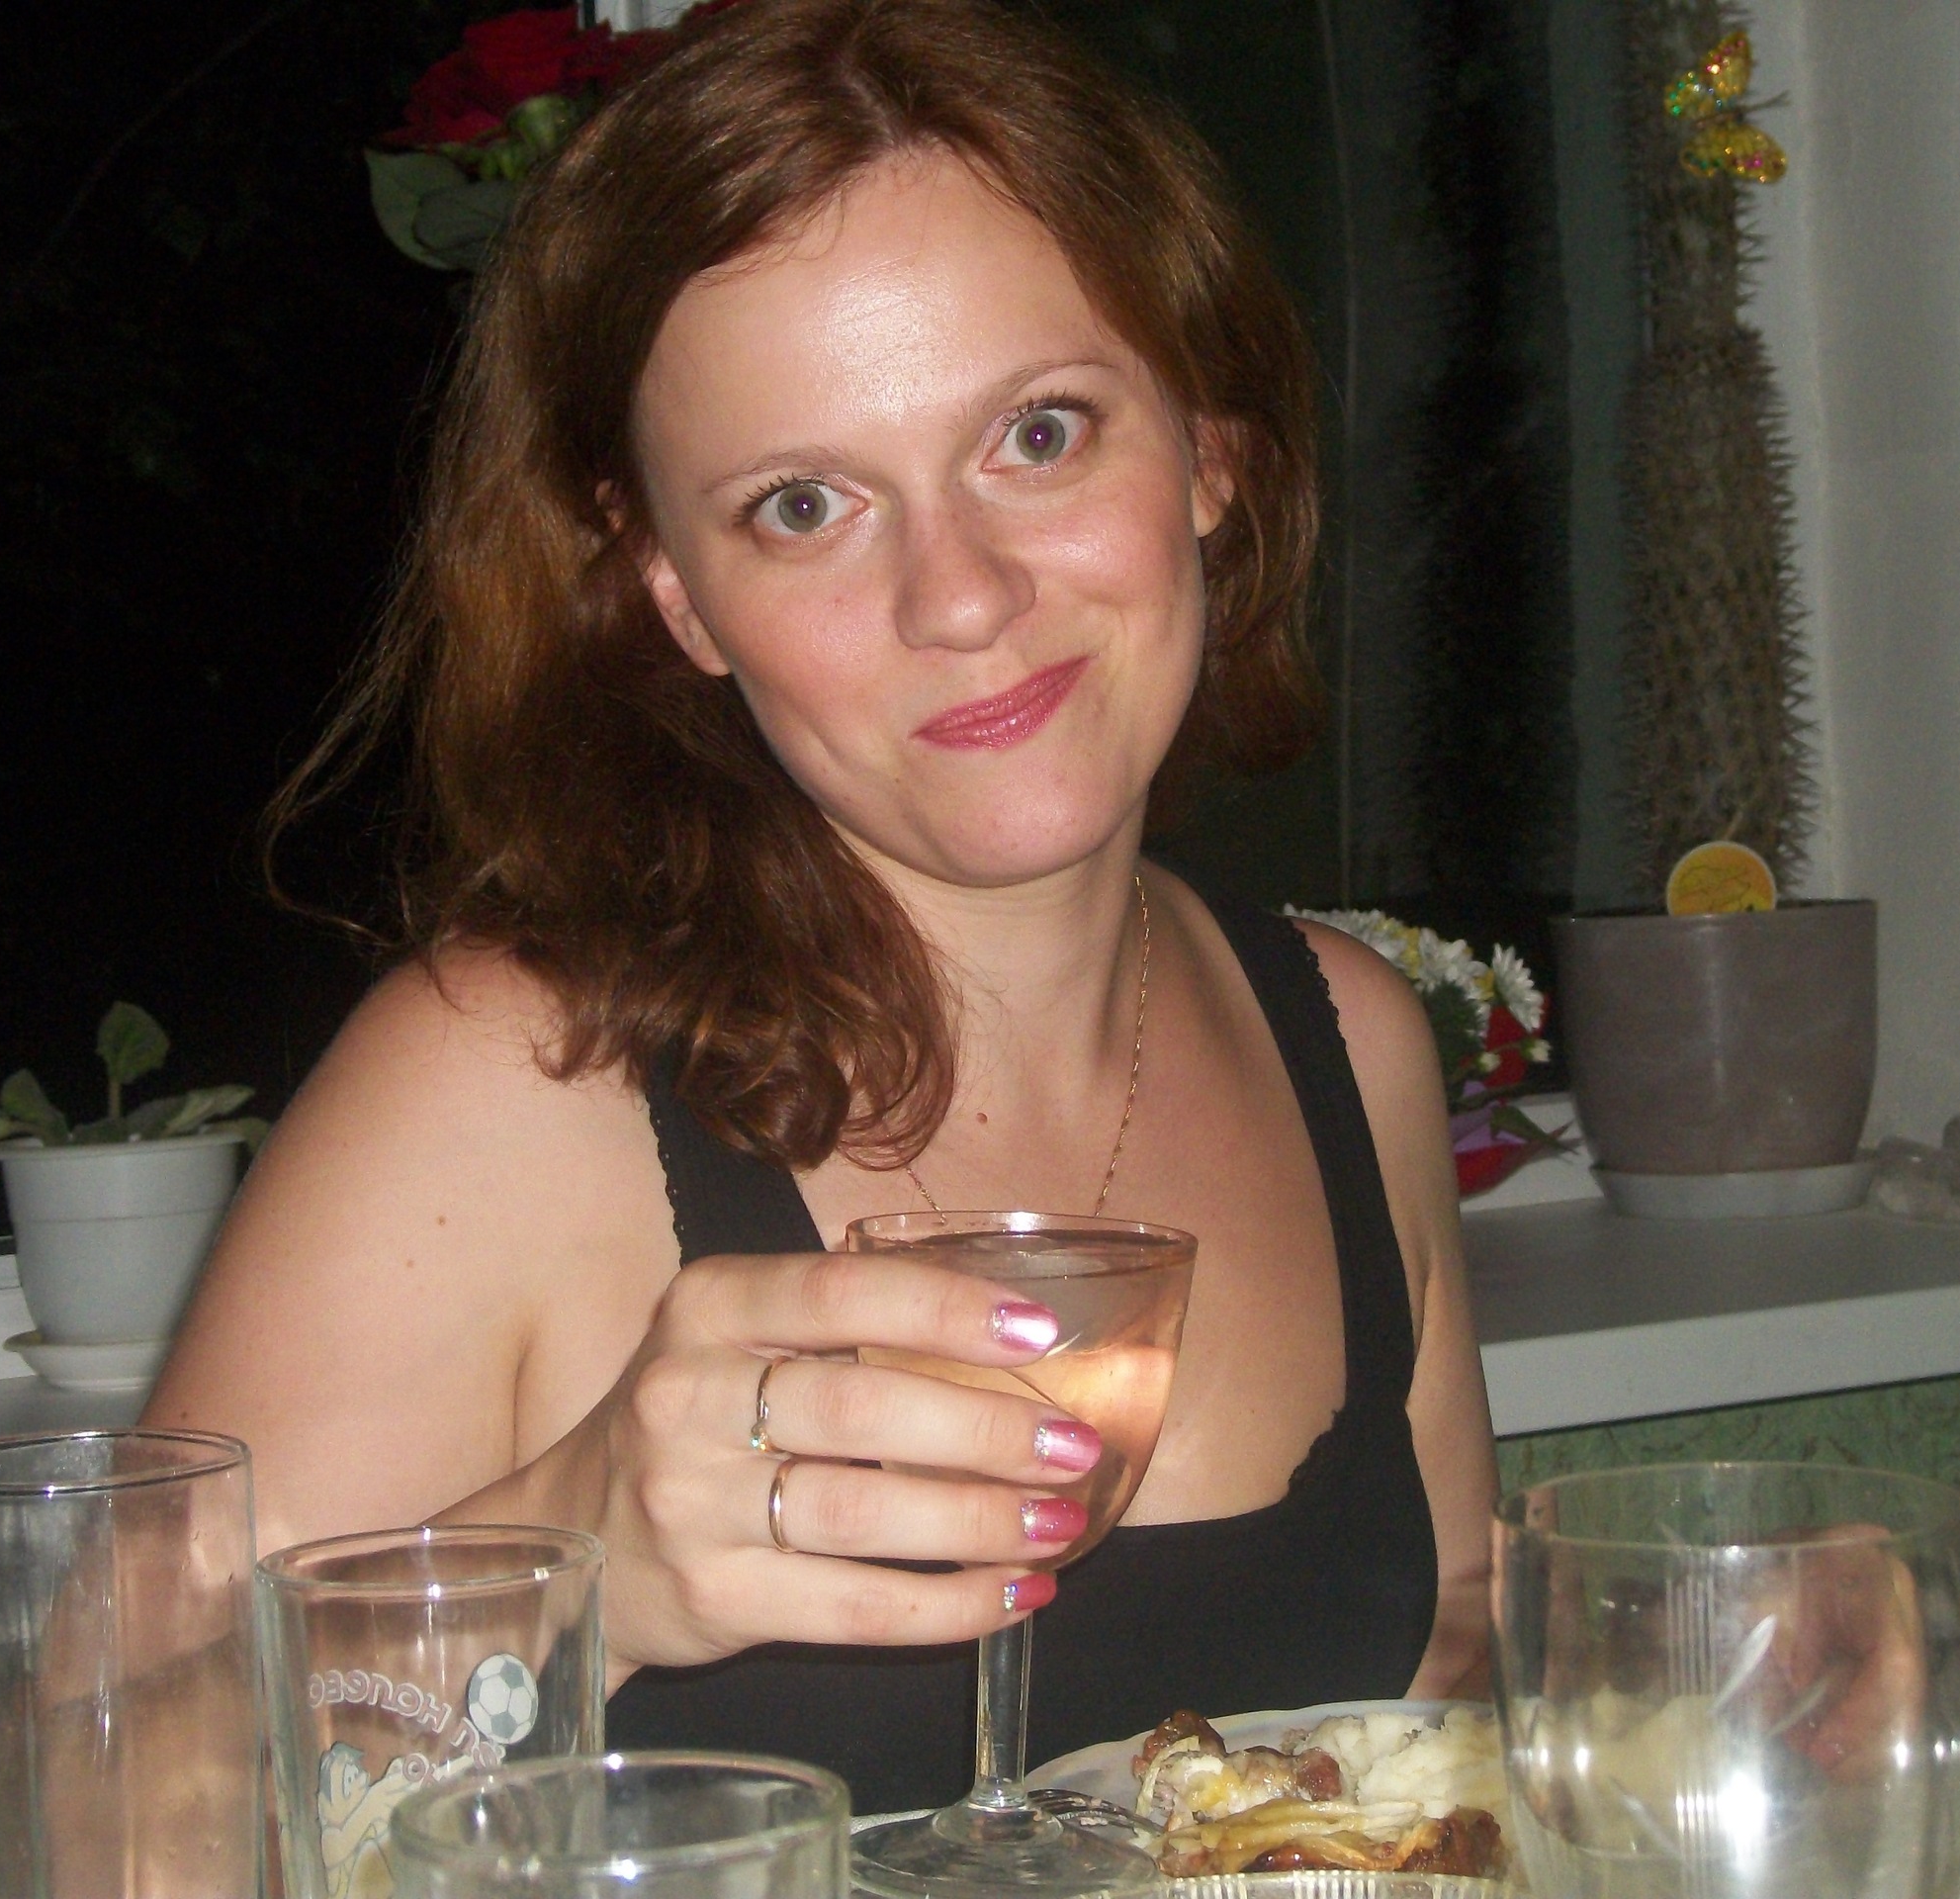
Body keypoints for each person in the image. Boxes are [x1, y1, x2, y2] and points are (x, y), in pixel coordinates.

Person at [145, 0, 1497, 1815]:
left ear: (1210, 451)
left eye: (1039, 433)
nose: (960, 595)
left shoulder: (1354, 1041)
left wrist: (1708, 1705)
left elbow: (1440, 1679)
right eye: (802, 506)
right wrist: (576, 1549)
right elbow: (96, 1824)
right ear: (675, 597)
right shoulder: (506, 1084)